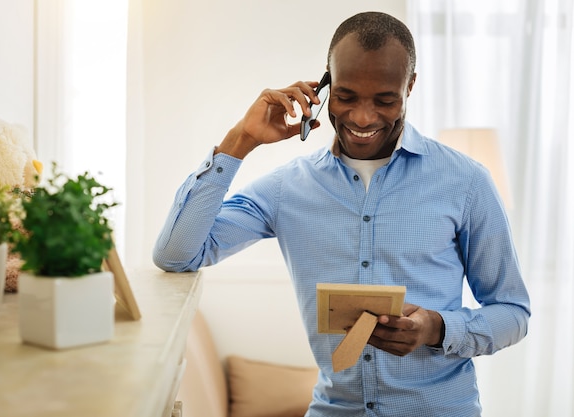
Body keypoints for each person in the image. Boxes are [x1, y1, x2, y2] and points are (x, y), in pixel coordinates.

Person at [153, 11, 530, 417]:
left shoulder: (466, 182)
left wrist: (437, 329)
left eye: (385, 100)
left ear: (410, 86)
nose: (363, 117)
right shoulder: (287, 188)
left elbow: (513, 312)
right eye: (346, 96)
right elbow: (177, 255)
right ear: (325, 84)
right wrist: (240, 140)